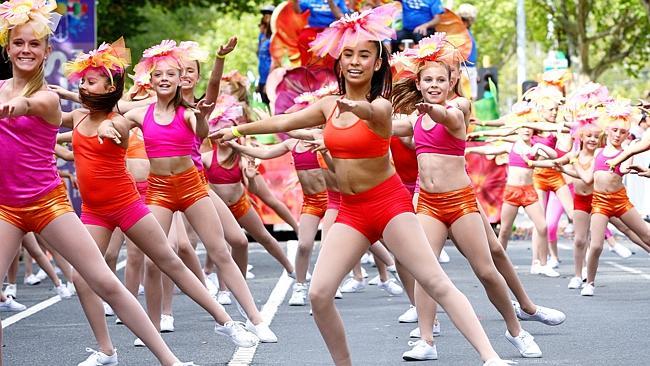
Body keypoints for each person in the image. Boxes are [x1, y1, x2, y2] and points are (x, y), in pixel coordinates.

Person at [214, 5, 509, 365]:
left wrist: (355, 107)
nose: (354, 61)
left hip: (389, 205)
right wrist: (235, 129)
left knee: (434, 282)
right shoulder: (326, 107)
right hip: (350, 213)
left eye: (364, 55)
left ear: (378, 63)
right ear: (339, 62)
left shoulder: (381, 105)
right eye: (348, 55)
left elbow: (375, 115)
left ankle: (490, 357)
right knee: (319, 294)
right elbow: (284, 119)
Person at [0, 2, 193, 365]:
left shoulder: (47, 97)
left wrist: (13, 107)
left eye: (34, 44)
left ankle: (171, 361)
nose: (26, 50)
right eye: (19, 43)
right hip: (6, 209)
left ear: (46, 51)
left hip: (49, 206)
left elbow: (27, 106)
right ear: (7, 47)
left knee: (104, 282)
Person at [101, 40, 276, 343]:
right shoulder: (141, 113)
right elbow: (109, 113)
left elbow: (202, 125)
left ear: (181, 79)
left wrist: (218, 61)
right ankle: (152, 326)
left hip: (192, 187)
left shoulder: (188, 113)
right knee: (153, 259)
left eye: (172, 74)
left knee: (220, 251)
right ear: (150, 81)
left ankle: (256, 319)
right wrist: (104, 125)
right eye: (159, 75)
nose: (165, 79)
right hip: (159, 191)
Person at [456, 3, 478, 99]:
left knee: (471, 98)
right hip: (463, 69)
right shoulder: (459, 34)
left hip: (470, 69)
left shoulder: (467, 34)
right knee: (464, 97)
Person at [257, 5, 274, 104]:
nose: (266, 17)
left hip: (271, 78)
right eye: (264, 15)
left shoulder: (274, 38)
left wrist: (269, 82)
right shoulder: (262, 37)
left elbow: (276, 61)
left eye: (269, 15)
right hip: (262, 78)